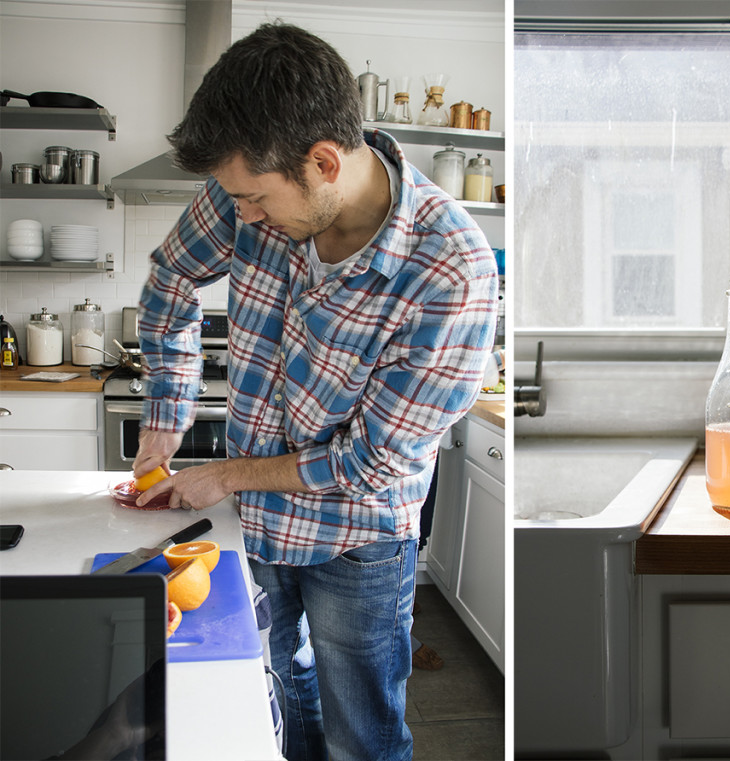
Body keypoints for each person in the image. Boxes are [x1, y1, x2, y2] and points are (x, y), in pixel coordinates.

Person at [132, 22, 498, 761]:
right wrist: (165, 422)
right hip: (258, 523)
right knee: (281, 688)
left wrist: (225, 474)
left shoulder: (450, 271)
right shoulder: (255, 186)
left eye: (255, 199)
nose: (242, 216)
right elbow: (172, 274)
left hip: (356, 541)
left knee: (360, 733)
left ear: (323, 162)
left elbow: (369, 462)